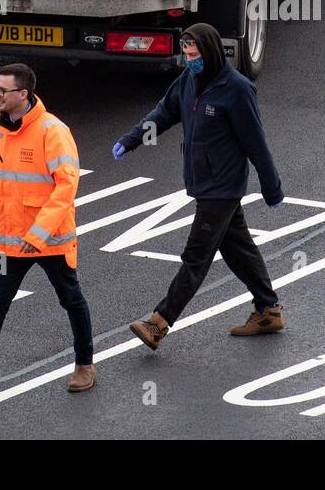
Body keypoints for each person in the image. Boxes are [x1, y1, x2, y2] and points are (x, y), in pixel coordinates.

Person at [114, 23, 285, 350]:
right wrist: (132, 139)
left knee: (196, 256)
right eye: (186, 53)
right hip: (202, 181)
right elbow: (163, 113)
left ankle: (158, 324)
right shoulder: (189, 81)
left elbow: (256, 143)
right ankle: (268, 309)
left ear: (210, 51)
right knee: (237, 248)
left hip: (222, 186)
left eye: (195, 55)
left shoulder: (237, 89)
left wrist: (271, 187)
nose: (190, 59)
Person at [0, 63, 96, 404]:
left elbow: (66, 187)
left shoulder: (53, 132)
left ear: (23, 94)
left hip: (49, 243)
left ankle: (85, 364)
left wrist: (37, 235)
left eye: (2, 90)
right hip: (8, 243)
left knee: (70, 300)